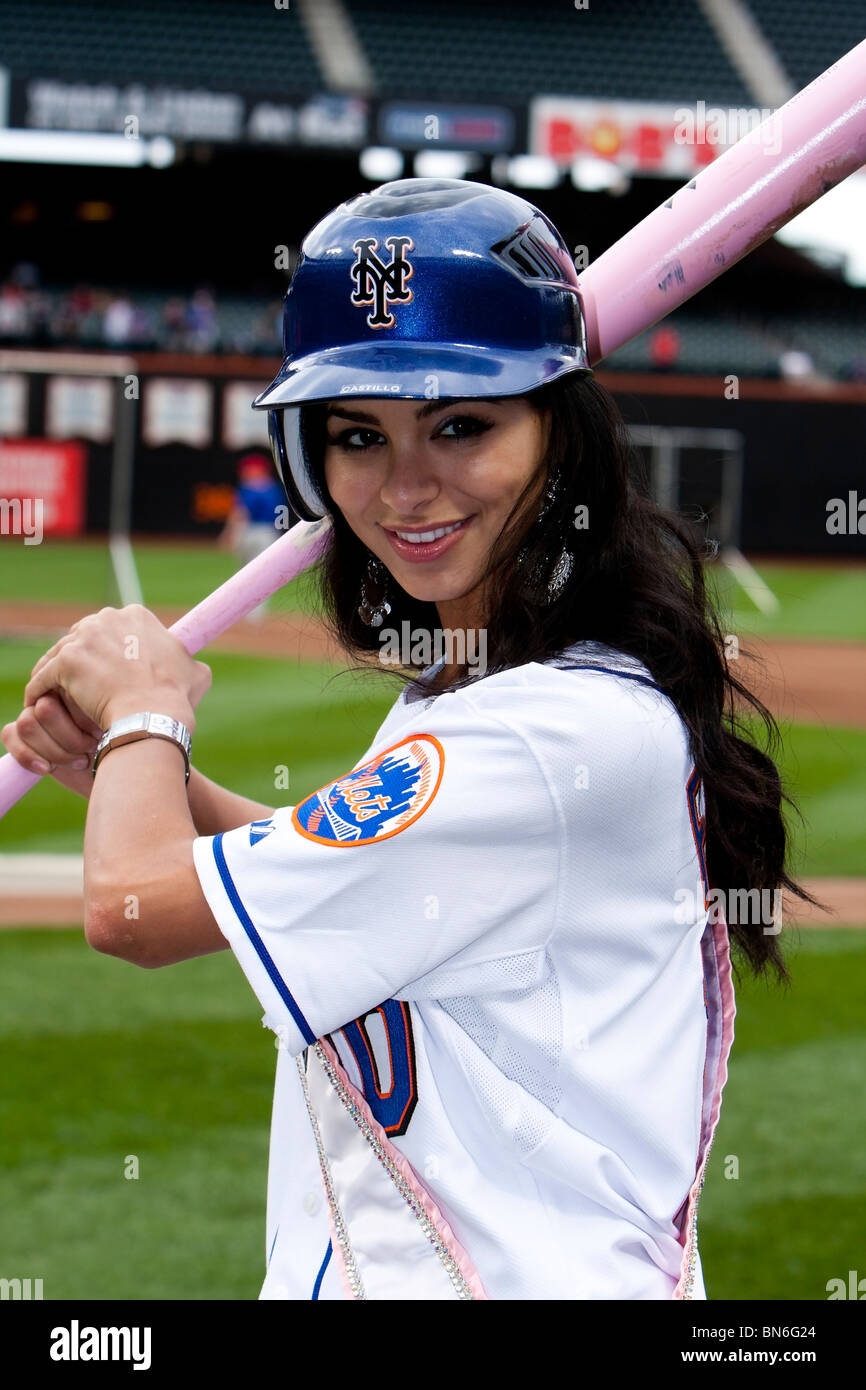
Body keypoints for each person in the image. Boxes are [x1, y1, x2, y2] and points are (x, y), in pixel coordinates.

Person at [2, 179, 814, 1301]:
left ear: (558, 436)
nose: (405, 485)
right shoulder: (488, 696)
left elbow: (131, 913)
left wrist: (147, 707)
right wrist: (152, 778)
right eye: (357, 436)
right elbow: (337, 870)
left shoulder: (549, 734)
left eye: (459, 423)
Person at [218, 452, 289, 622]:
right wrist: (280, 534)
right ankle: (254, 615)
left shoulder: (247, 489)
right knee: (261, 575)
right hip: (269, 533)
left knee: (244, 574)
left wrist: (227, 534)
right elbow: (283, 514)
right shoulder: (275, 489)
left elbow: (239, 514)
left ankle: (241, 611)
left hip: (248, 531)